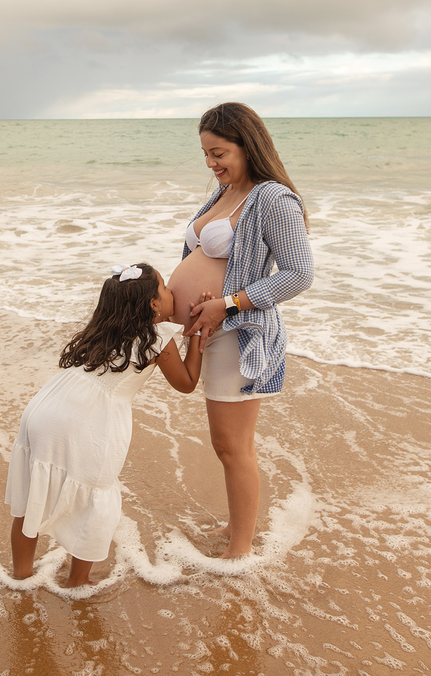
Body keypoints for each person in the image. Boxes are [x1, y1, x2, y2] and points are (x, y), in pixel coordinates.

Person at [169, 102, 314, 558]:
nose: (211, 164)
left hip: (239, 332)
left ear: (247, 145)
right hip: (210, 332)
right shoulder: (225, 193)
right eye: (205, 155)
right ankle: (237, 528)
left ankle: (241, 549)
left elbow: (298, 274)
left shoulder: (273, 199)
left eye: (219, 154)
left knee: (233, 446)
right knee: (226, 445)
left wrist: (226, 304)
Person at [5, 263, 207, 588]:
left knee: (32, 500)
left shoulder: (104, 328)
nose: (172, 292)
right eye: (165, 288)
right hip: (86, 418)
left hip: (46, 407)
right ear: (153, 304)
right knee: (95, 497)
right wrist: (198, 333)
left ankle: (21, 576)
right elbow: (186, 382)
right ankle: (77, 582)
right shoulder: (157, 337)